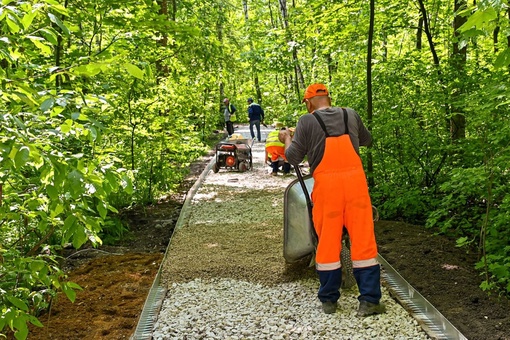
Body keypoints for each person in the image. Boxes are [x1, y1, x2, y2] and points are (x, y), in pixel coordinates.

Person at [278, 83, 385, 317]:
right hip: (356, 184)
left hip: (328, 188)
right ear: (329, 98)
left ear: (308, 103)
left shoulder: (307, 121)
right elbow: (367, 140)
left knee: (327, 241)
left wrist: (287, 138)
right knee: (364, 241)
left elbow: (293, 157)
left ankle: (329, 301)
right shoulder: (351, 114)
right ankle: (370, 301)